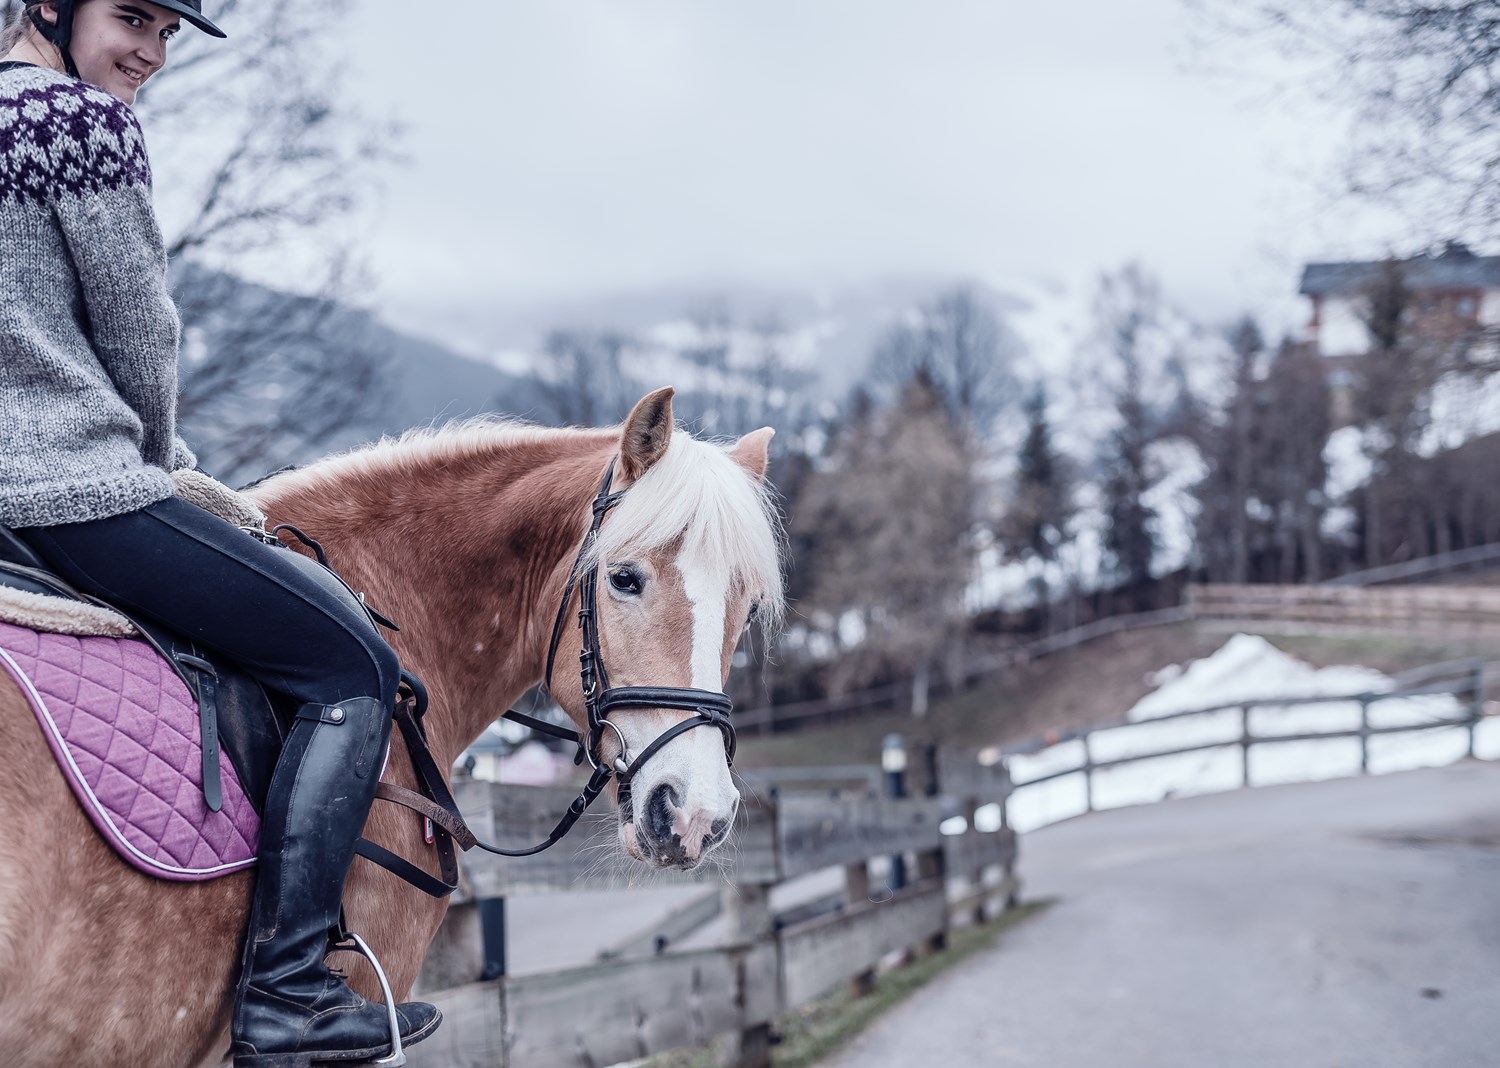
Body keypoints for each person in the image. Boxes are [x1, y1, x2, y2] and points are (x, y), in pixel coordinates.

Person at [0, 2, 441, 1064]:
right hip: (75, 493)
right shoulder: (79, 126)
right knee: (353, 668)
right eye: (132, 17)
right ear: (50, 5)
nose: (150, 50)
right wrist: (161, 465)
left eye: (169, 30)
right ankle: (288, 991)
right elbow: (140, 332)